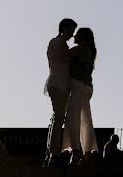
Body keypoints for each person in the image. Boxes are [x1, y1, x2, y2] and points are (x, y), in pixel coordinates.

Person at [44, 17, 77, 168]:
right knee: (58, 119)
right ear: (65, 29)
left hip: (56, 84)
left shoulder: (54, 43)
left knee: (56, 118)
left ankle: (51, 152)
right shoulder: (59, 43)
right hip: (59, 85)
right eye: (71, 30)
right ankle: (54, 153)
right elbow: (69, 55)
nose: (72, 34)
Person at [63, 27, 98, 166]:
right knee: (85, 120)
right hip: (87, 88)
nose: (73, 37)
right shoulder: (88, 50)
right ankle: (87, 153)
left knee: (73, 119)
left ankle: (76, 151)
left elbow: (64, 53)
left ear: (82, 37)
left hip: (78, 86)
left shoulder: (80, 49)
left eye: (76, 34)